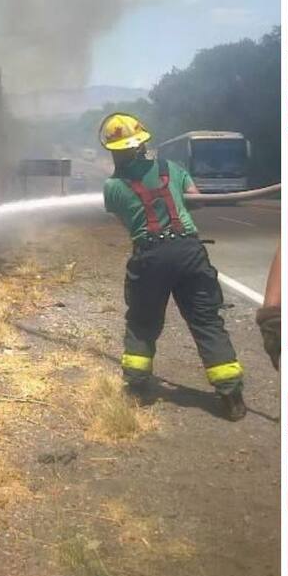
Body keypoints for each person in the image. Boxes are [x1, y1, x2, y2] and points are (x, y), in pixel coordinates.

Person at [99, 112, 247, 420]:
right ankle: (231, 396)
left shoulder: (112, 186)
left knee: (142, 321)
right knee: (206, 321)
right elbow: (197, 200)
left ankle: (137, 388)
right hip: (189, 252)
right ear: (141, 144)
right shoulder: (172, 169)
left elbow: (125, 219)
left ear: (114, 150)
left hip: (150, 257)